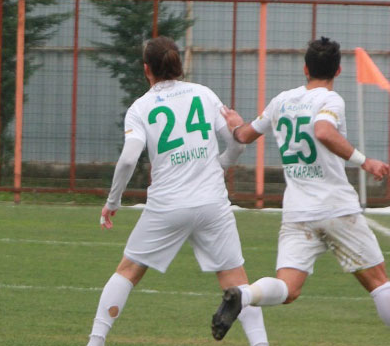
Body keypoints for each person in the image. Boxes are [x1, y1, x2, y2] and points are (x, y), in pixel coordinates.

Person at [87, 37, 268, 346]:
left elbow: (129, 158)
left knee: (128, 271)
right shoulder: (204, 94)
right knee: (237, 282)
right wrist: (219, 166)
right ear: (178, 64)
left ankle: (95, 341)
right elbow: (237, 143)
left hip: (168, 204)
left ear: (147, 69)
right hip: (212, 203)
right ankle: (260, 343)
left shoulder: (140, 107)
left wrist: (113, 201)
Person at [212, 37, 390, 340]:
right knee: (378, 282)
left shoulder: (281, 100)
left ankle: (245, 294)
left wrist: (236, 124)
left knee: (288, 288)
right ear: (339, 70)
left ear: (305, 69)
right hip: (335, 207)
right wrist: (365, 162)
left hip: (297, 212)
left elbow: (243, 136)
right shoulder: (331, 100)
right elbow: (323, 131)